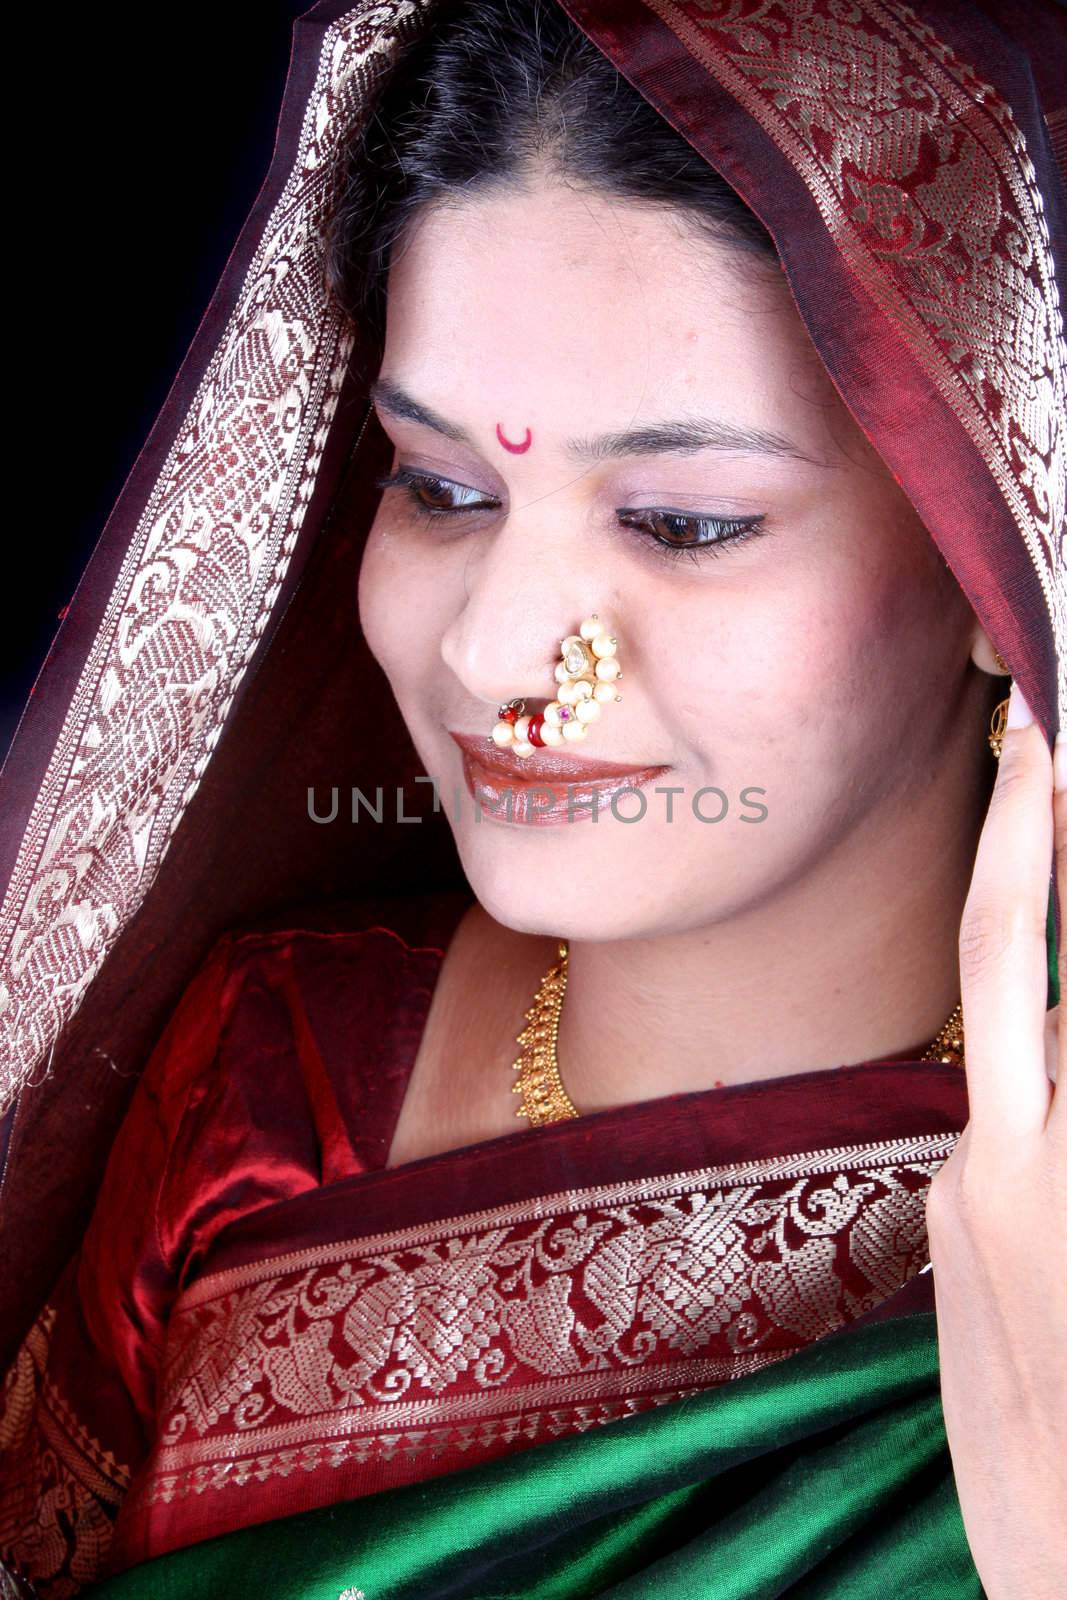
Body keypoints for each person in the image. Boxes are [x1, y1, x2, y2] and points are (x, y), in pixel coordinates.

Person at [1, 0, 1063, 1595]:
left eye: (686, 523)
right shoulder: (266, 1081)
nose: (499, 649)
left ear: (1006, 567)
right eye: (439, 491)